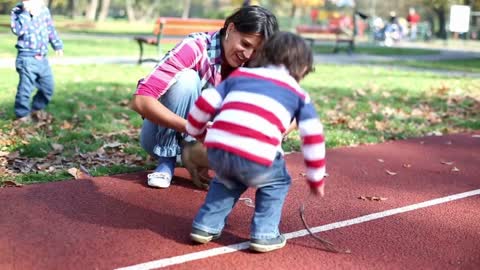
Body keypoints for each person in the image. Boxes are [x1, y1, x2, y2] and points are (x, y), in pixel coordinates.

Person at [185, 32, 326, 253]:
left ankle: (205, 225)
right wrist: (316, 177)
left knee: (226, 181)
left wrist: (197, 132)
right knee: (276, 183)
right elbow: (313, 137)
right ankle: (265, 234)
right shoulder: (298, 93)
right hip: (257, 155)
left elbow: (205, 102)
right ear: (301, 67)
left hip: (219, 151)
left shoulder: (240, 76)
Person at [130, 6, 278, 189]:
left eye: (256, 51)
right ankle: (166, 161)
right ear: (230, 29)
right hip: (161, 137)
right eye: (245, 44)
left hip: (204, 143)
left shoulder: (255, 65)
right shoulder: (196, 47)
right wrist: (194, 129)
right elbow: (141, 100)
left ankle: (197, 159)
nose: (247, 55)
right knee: (186, 79)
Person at [10, 0, 63, 122]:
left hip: (43, 58)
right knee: (25, 89)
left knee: (48, 87)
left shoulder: (44, 10)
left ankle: (36, 109)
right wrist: (26, 13)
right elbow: (18, 31)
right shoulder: (18, 12)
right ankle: (22, 114)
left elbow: (50, 29)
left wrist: (57, 45)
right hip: (27, 58)